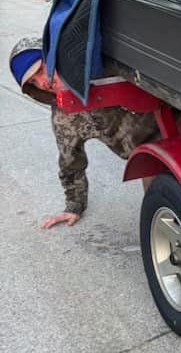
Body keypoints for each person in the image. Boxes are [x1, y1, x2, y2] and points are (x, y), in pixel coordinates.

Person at [8, 36, 159, 229]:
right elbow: (71, 163)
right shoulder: (65, 116)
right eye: (34, 82)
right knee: (163, 211)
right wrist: (74, 205)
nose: (43, 82)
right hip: (152, 156)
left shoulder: (100, 63)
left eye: (40, 69)